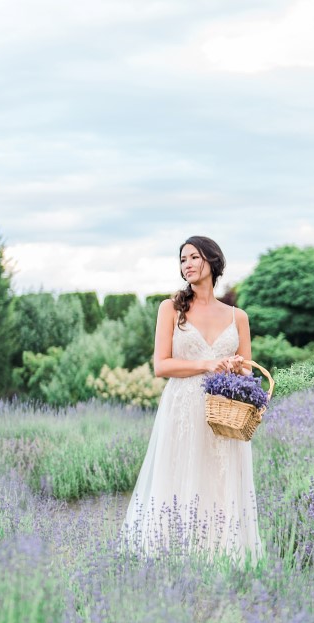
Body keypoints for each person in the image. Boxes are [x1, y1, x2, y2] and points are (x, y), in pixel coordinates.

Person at [123, 235, 264, 561]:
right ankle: (175, 554)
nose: (187, 264)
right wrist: (207, 363)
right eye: (182, 259)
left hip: (223, 412)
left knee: (220, 477)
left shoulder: (237, 317)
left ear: (212, 262)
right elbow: (161, 365)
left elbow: (246, 370)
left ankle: (221, 554)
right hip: (183, 408)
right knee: (181, 477)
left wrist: (234, 369)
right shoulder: (171, 309)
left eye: (193, 258)